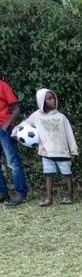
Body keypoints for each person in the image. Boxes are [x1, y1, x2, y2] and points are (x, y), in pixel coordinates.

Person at [25, 88, 78, 206]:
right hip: (47, 153)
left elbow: (69, 134)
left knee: (67, 174)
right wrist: (15, 133)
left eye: (53, 98)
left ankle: (70, 196)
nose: (53, 100)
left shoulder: (61, 117)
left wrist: (73, 150)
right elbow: (26, 127)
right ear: (42, 102)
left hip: (61, 151)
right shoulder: (37, 117)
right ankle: (49, 198)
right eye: (49, 99)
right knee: (48, 175)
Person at [0, 75, 27, 206]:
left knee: (12, 162)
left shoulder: (2, 85)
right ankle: (2, 192)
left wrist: (5, 126)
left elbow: (16, 107)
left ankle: (21, 193)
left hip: (3, 129)